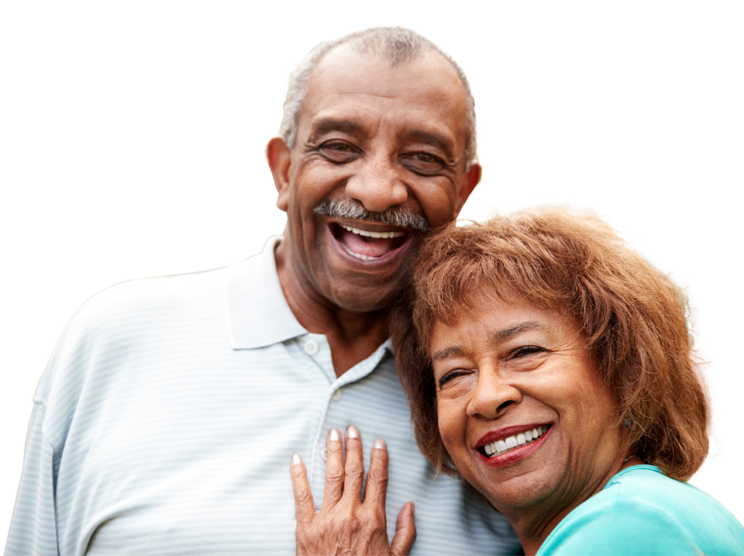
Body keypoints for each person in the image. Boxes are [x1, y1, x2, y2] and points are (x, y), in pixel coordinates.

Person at [5, 25, 519, 555]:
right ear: (284, 170)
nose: (377, 190)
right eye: (339, 148)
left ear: (463, 190)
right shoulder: (114, 338)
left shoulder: (500, 398)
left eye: (422, 159)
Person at [381, 200, 744, 555]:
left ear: (622, 368)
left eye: (525, 352)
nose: (486, 397)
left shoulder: (626, 525)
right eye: (455, 374)